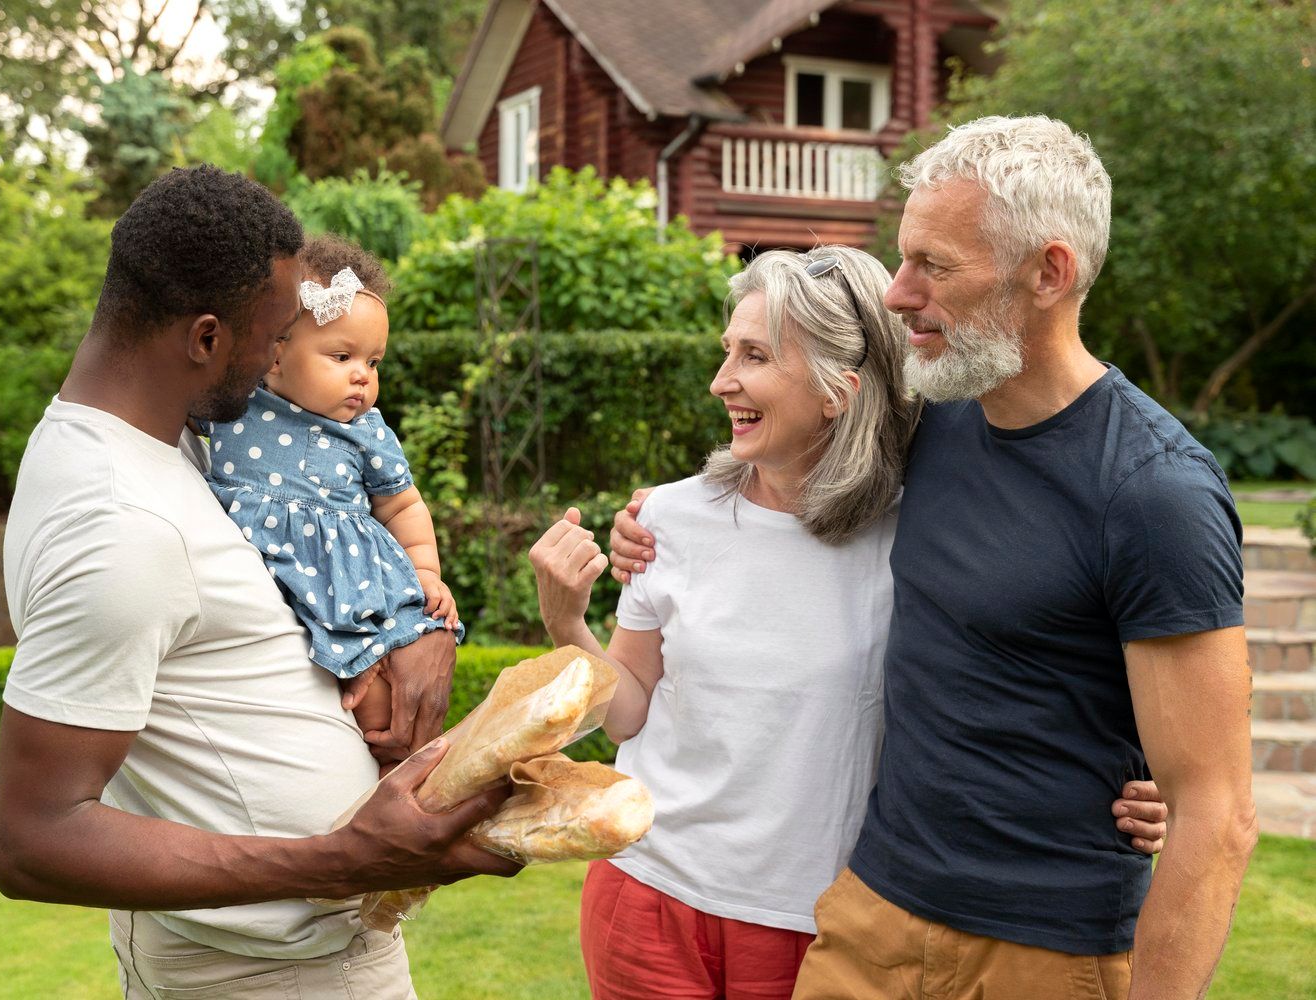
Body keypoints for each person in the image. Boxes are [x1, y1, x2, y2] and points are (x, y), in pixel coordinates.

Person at [611, 116, 1254, 1000]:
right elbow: (795, 454)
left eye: (933, 267)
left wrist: (1154, 799)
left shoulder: (1155, 493)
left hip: (1044, 948)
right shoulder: (932, 421)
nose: (899, 293)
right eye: (903, 258)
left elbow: (1215, 815)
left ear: (1049, 272)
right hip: (870, 916)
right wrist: (658, 521)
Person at [532, 245, 1165, 1000]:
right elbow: (629, 709)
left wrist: (1131, 782)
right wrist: (567, 621)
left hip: (817, 919)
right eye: (727, 350)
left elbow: (1030, 664)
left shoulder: (920, 533)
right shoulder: (670, 516)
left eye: (756, 356)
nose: (721, 381)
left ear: (841, 390)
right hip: (646, 891)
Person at [0, 166, 517, 1000]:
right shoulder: (119, 521)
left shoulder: (172, 447)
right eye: (275, 337)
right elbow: (32, 840)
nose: (283, 364)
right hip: (259, 977)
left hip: (314, 954)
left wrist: (413, 627)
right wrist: (342, 859)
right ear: (205, 338)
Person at [198, 234, 461, 748]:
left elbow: (402, 503)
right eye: (342, 356)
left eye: (374, 362)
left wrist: (426, 572)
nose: (363, 375)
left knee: (385, 710)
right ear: (274, 356)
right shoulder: (232, 409)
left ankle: (400, 777)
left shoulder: (366, 430)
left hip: (356, 591)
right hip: (269, 592)